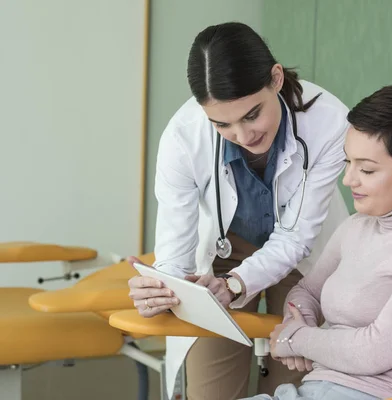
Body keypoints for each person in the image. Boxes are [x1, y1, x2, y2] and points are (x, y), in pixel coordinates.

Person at [126, 22, 350, 399]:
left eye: (251, 115)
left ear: (275, 79)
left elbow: (296, 237)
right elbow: (174, 253)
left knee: (294, 386)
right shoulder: (183, 138)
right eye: (222, 124)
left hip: (305, 256)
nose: (244, 137)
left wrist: (235, 287)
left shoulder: (328, 122)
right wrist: (159, 288)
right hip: (223, 251)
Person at [244, 84, 392, 400]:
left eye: (367, 169)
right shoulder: (357, 226)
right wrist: (296, 320)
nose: (349, 180)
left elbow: (375, 350)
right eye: (348, 162)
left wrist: (296, 339)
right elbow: (307, 291)